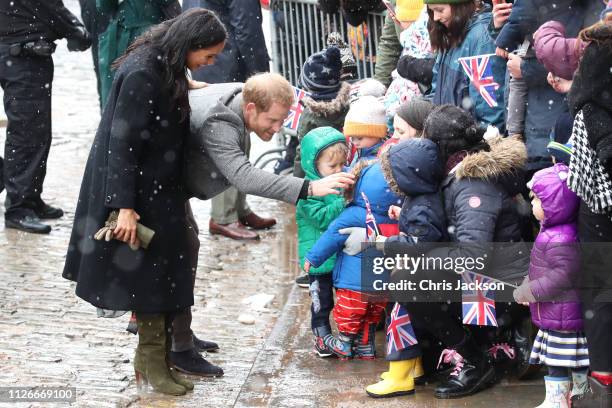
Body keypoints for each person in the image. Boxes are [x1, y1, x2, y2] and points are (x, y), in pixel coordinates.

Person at [62, 9, 228, 395]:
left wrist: (188, 86)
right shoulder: (143, 72)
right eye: (209, 55)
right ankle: (150, 364)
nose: (212, 63)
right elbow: (123, 143)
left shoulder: (163, 63)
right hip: (138, 191)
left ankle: (159, 359)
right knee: (149, 278)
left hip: (158, 184)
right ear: (190, 44)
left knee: (166, 268)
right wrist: (123, 206)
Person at [180, 72, 356, 375]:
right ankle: (175, 346)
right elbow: (244, 176)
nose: (277, 130)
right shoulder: (221, 121)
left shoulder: (239, 101)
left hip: (173, 186)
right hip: (161, 187)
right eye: (273, 121)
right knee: (178, 253)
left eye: (282, 122)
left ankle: (180, 335)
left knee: (187, 246)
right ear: (250, 109)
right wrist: (308, 188)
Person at [183, 0, 273, 241]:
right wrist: (262, 75)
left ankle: (237, 208)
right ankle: (225, 215)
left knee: (235, 136)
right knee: (229, 139)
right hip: (226, 61)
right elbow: (247, 28)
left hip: (208, 58)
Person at [0, 0, 91, 234]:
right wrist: (75, 30)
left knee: (35, 131)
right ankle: (19, 206)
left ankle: (27, 195)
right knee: (29, 132)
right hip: (21, 51)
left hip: (20, 47)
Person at [366, 138, 446, 398]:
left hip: (413, 275)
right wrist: (402, 216)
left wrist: (386, 243)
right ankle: (415, 368)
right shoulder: (423, 198)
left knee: (401, 323)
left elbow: (421, 242)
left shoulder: (423, 204)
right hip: (415, 274)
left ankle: (400, 377)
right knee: (411, 323)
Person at [304, 160, 400, 359]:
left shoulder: (353, 214)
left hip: (353, 283)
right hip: (382, 284)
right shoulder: (396, 217)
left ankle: (345, 343)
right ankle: (366, 346)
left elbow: (331, 237)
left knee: (350, 313)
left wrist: (313, 258)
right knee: (371, 315)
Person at [513, 164, 590, 406]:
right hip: (560, 313)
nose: (532, 205)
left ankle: (559, 400)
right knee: (576, 360)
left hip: (563, 315)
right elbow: (541, 268)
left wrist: (532, 290)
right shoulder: (554, 232)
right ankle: (578, 396)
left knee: (558, 361)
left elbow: (562, 276)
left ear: (553, 204)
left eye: (535, 199)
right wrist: (528, 283)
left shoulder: (560, 237)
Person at [566, 13, 612, 406]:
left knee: (600, 289)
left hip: (596, 190)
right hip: (600, 187)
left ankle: (601, 385)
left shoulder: (598, 50)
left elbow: (580, 97)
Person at [296, 127, 348, 357]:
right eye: (332, 167)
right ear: (314, 164)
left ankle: (346, 334)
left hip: (338, 255)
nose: (338, 171)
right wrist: (343, 201)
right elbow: (322, 219)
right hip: (317, 259)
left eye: (341, 166)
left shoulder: (339, 184)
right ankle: (321, 336)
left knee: (345, 298)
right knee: (321, 301)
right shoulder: (307, 192)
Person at [424, 0, 506, 130]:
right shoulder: (449, 31)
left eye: (440, 10)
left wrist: (481, 143)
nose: (435, 17)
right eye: (431, 11)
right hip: (450, 135)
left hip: (470, 142)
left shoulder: (482, 39)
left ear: (460, 6)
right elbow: (436, 90)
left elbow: (490, 112)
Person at [97, 0, 181, 107]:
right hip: (119, 38)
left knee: (145, 101)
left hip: (150, 36)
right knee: (113, 101)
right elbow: (104, 7)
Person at [292, 46, 351, 179]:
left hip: (319, 177)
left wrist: (297, 187)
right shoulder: (349, 105)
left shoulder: (310, 115)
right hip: (345, 168)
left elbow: (303, 152)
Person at [344, 95, 389, 166]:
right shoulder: (362, 149)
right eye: (352, 138)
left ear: (376, 134)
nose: (355, 143)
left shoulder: (380, 157)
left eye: (359, 138)